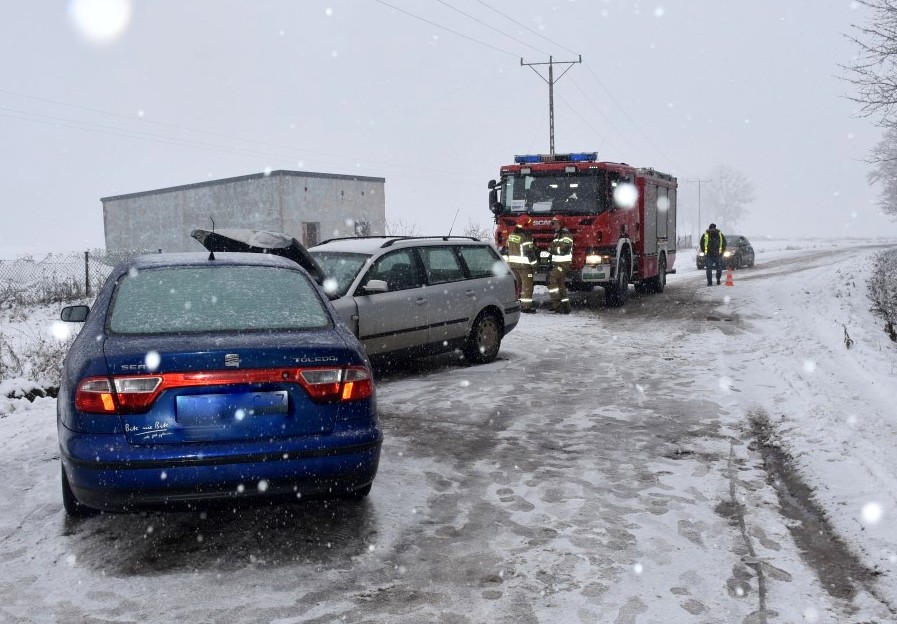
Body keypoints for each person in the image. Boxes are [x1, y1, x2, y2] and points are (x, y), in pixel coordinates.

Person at [506, 218, 538, 312]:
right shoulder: (525, 237)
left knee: (518, 285)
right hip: (525, 267)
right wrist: (535, 265)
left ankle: (518, 304)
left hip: (513, 265)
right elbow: (529, 253)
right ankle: (526, 306)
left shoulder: (511, 235)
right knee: (527, 287)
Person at [548, 216, 573, 313]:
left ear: (561, 224)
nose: (554, 226)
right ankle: (566, 307)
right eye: (553, 224)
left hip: (563, 265)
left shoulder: (566, 236)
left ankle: (556, 305)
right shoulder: (557, 235)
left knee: (551, 278)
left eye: (556, 224)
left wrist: (551, 250)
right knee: (560, 285)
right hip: (557, 264)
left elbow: (564, 250)